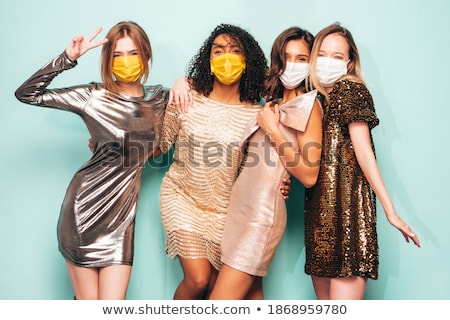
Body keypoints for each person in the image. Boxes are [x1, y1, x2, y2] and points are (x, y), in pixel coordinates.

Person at [15, 21, 169, 300]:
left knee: (113, 308)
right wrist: (68, 59)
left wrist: (186, 82)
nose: (126, 61)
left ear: (145, 55)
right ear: (108, 60)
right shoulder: (93, 96)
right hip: (84, 209)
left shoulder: (160, 99)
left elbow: (148, 147)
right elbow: (27, 94)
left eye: (133, 53)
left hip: (121, 220)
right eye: (117, 55)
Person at [159, 23, 290, 300]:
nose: (226, 57)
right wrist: (114, 145)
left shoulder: (257, 115)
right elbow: (159, 146)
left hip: (226, 213)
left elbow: (258, 167)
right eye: (218, 51)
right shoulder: (187, 98)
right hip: (182, 198)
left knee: (215, 292)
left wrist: (282, 181)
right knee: (197, 280)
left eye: (235, 51)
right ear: (208, 59)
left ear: (247, 61)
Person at [303, 22, 421, 300]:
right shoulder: (316, 99)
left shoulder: (350, 90)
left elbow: (363, 151)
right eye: (321, 54)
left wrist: (390, 210)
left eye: (337, 56)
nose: (328, 62)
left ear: (349, 62)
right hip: (319, 219)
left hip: (349, 219)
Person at [208, 26, 323, 300]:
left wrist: (272, 129)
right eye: (286, 58)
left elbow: (309, 175)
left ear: (311, 64)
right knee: (251, 302)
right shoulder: (271, 102)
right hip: (238, 211)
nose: (292, 66)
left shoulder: (310, 106)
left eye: (301, 59)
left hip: (261, 217)